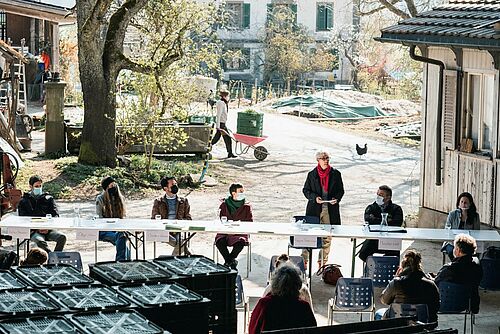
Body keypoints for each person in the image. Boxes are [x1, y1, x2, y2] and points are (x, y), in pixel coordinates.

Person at [302, 151, 344, 266]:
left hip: (330, 210)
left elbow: (341, 191)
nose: (326, 160)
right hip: (314, 209)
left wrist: (337, 199)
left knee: (327, 237)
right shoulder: (312, 174)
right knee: (310, 235)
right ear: (318, 160)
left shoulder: (335, 174)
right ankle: (304, 260)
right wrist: (315, 198)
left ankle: (323, 262)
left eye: (327, 158)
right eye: (323, 158)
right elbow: (306, 191)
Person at [249, 264, 317, 334]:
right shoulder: (304, 307)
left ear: (274, 284)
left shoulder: (264, 304)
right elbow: (313, 330)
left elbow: (253, 329)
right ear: (297, 285)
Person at [377, 250, 440, 324]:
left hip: (398, 323)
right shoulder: (431, 284)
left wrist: (396, 278)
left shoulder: (396, 282)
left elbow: (384, 300)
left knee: (379, 313)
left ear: (402, 267)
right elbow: (436, 307)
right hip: (423, 325)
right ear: (419, 265)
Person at [434, 234, 483, 314]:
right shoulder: (477, 265)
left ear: (458, 250)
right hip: (469, 305)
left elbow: (435, 284)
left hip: (446, 304)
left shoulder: (449, 269)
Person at [17, 175, 66, 253]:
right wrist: (37, 228)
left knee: (62, 237)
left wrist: (47, 228)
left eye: (40, 186)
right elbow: (22, 219)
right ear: (30, 186)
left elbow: (55, 215)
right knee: (40, 242)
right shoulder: (24, 201)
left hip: (48, 229)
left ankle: (55, 256)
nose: (39, 188)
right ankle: (52, 258)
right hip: (34, 231)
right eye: (36, 186)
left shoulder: (48, 198)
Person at [359, 185, 404, 261]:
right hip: (374, 239)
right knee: (364, 253)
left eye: (381, 195)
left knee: (393, 258)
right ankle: (372, 268)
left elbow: (397, 223)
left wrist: (376, 219)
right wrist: (386, 220)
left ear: (388, 197)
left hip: (391, 240)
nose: (378, 197)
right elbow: (368, 220)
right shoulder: (371, 207)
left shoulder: (396, 209)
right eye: (378, 194)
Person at [151, 176, 192, 255]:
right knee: (182, 244)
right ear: (165, 188)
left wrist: (179, 223)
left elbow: (189, 218)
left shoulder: (184, 201)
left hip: (178, 230)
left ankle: (169, 259)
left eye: (176, 184)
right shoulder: (158, 201)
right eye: (172, 185)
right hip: (164, 230)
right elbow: (154, 218)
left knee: (182, 242)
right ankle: (186, 250)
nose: (175, 186)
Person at [215, 183, 252, 270]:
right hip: (225, 231)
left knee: (240, 243)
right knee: (220, 242)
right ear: (233, 193)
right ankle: (231, 262)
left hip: (239, 232)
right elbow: (221, 219)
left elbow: (250, 222)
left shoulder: (246, 206)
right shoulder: (224, 204)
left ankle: (228, 262)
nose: (243, 193)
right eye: (240, 191)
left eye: (243, 191)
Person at [96, 176, 130, 261]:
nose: (114, 187)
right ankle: (121, 261)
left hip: (118, 229)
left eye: (115, 185)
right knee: (121, 238)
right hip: (104, 230)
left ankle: (124, 262)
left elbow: (124, 216)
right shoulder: (100, 199)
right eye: (111, 186)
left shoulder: (119, 198)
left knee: (122, 238)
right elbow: (99, 218)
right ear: (106, 188)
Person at [442, 192, 480, 259]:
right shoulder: (452, 214)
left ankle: (464, 267)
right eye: (461, 202)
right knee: (452, 252)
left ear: (470, 204)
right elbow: (447, 228)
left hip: (467, 243)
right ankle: (456, 267)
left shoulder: (475, 216)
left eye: (465, 202)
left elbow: (477, 232)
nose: (463, 204)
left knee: (468, 252)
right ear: (458, 203)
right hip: (452, 242)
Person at [211, 87, 236, 158]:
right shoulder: (221, 103)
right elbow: (218, 115)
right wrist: (218, 126)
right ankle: (230, 153)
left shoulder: (224, 103)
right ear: (224, 96)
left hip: (223, 124)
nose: (229, 97)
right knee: (227, 139)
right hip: (221, 124)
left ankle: (207, 147)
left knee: (217, 138)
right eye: (228, 96)